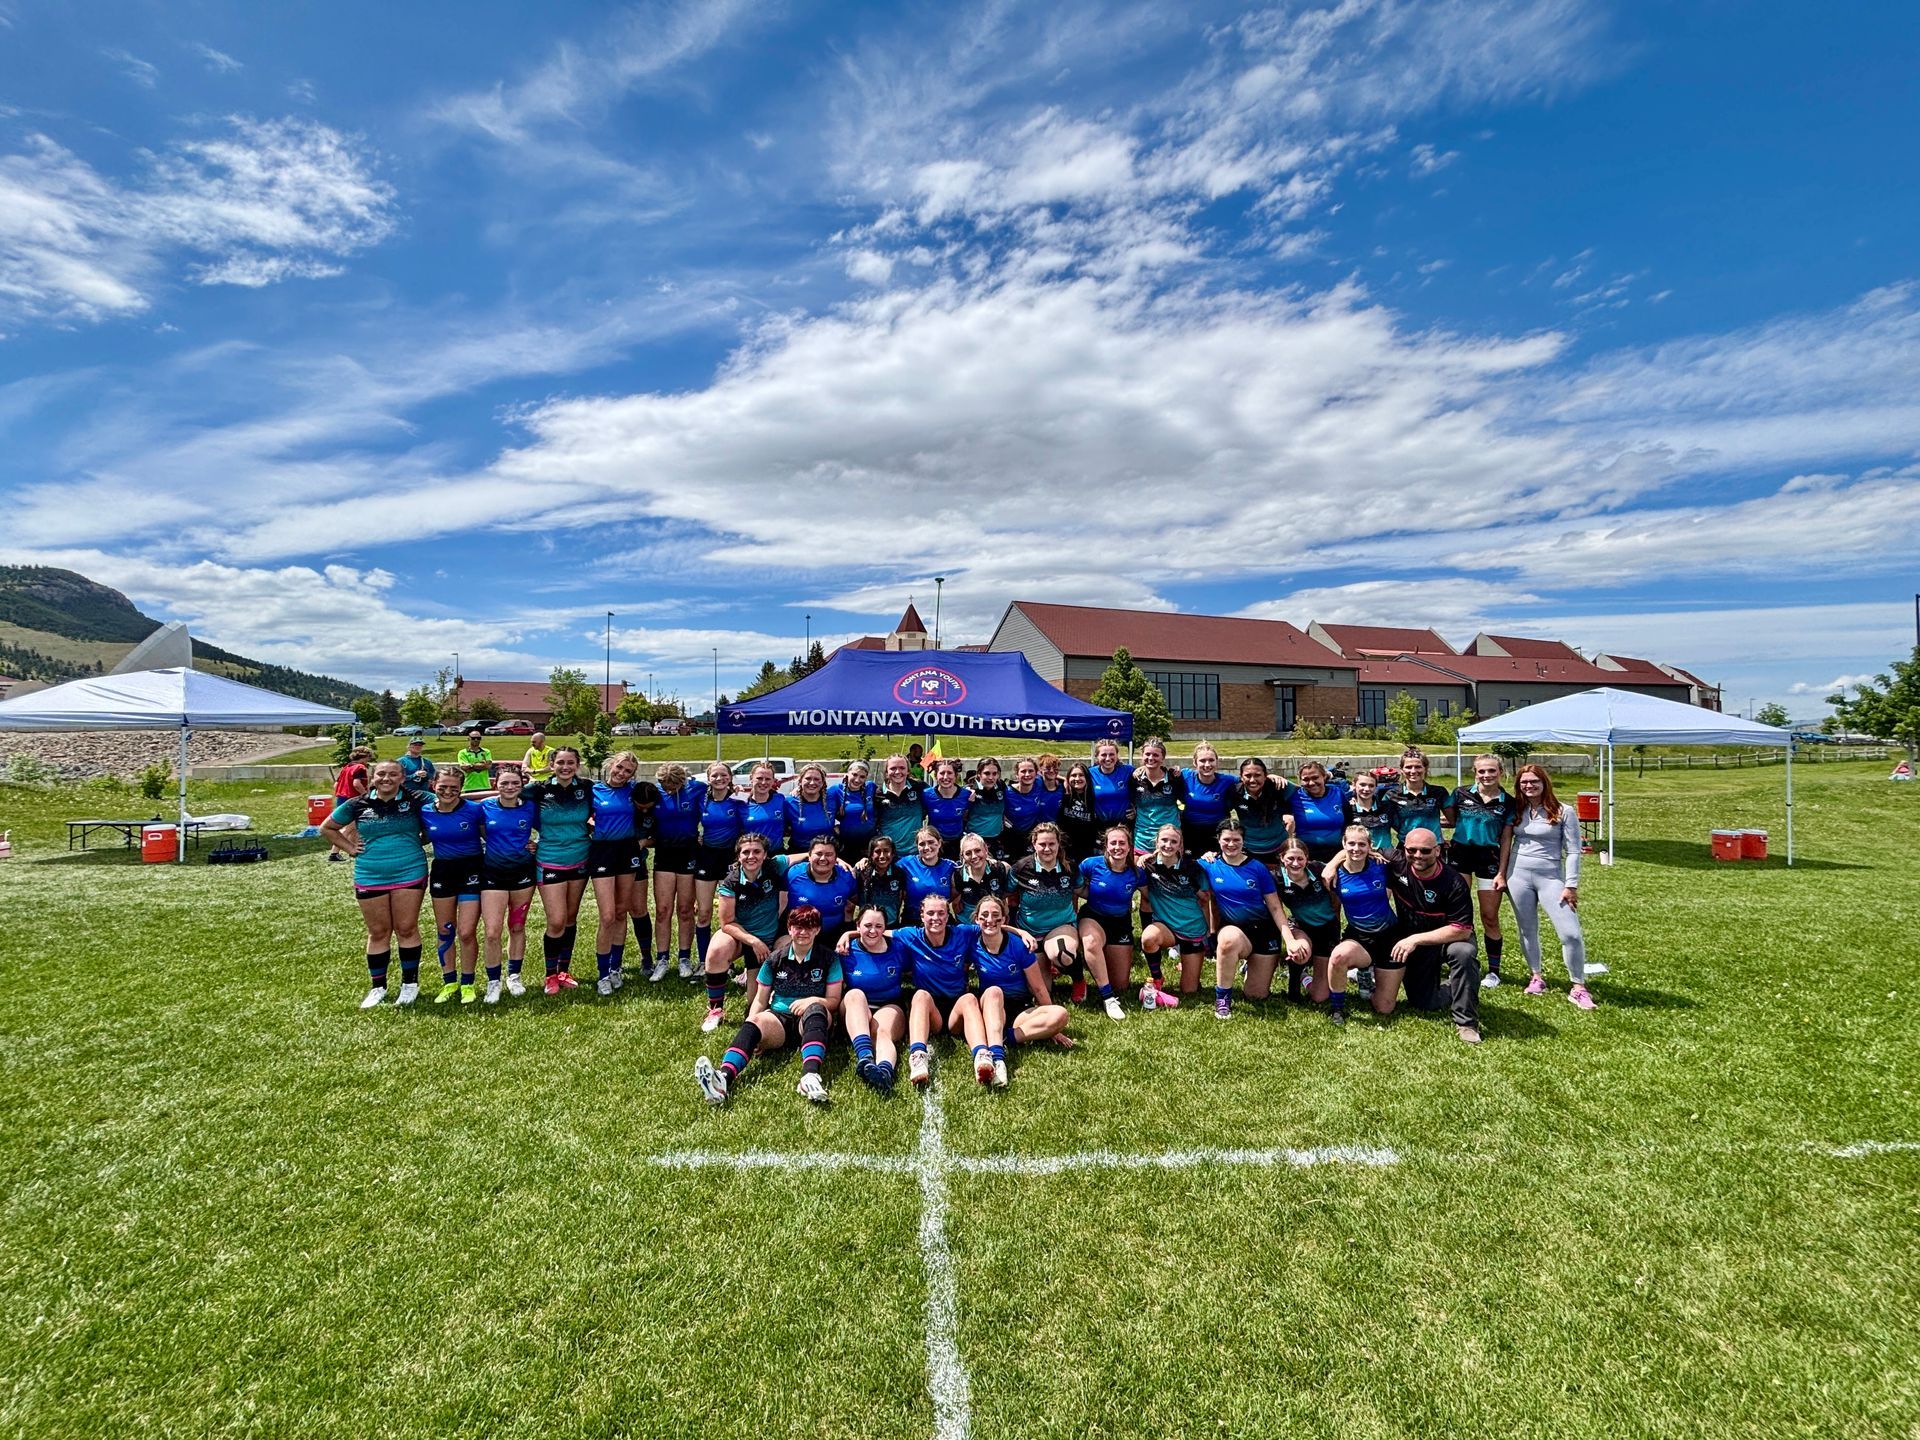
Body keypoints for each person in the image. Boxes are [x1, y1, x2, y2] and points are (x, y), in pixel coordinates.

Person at [694, 906, 842, 1106]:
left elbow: (834, 1001)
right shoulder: (775, 959)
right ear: (789, 929)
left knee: (817, 1010)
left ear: (817, 930)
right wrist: (751, 1030)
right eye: (798, 927)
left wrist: (812, 1000)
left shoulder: (829, 958)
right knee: (754, 1021)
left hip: (813, 1021)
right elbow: (760, 1000)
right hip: (779, 1019)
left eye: (809, 927)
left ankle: (810, 1076)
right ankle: (723, 1079)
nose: (803, 932)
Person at [319, 760, 428, 1008]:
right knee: (378, 932)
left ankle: (409, 984)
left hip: (409, 871)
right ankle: (378, 987)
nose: (386, 778)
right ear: (372, 777)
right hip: (370, 873)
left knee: (406, 928)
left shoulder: (417, 798)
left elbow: (447, 806)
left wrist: (425, 837)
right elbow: (327, 828)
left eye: (393, 774)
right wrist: (349, 848)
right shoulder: (357, 804)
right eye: (381, 774)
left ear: (402, 778)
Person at [1505, 763, 1595, 1010]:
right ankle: (1536, 976)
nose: (1529, 786)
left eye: (1534, 781)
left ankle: (1578, 986)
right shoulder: (1517, 810)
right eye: (1524, 782)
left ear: (1545, 783)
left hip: (1551, 878)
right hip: (1517, 876)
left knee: (1570, 933)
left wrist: (1571, 884)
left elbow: (1574, 850)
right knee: (1527, 929)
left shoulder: (1564, 811)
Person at [1382, 826, 1482, 1043]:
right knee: (1424, 1002)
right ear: (1404, 849)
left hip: (1448, 937)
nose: (1417, 855)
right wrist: (1333, 864)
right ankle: (1459, 986)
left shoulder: (1454, 882)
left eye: (1425, 851)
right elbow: (1358, 849)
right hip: (1416, 940)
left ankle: (1466, 1022)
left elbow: (1462, 930)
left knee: (1463, 953)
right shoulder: (1397, 862)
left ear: (1437, 851)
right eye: (1412, 850)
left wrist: (1414, 939)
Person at [1200, 820, 1306, 1020]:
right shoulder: (1209, 864)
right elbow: (1177, 863)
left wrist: (1290, 940)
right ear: (1218, 840)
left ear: (1243, 841)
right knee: (1228, 940)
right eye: (1226, 840)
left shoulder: (1257, 868)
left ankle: (1251, 964)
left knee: (1256, 995)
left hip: (1264, 931)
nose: (1231, 844)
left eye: (1236, 840)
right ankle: (1223, 998)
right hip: (1235, 929)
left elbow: (1275, 907)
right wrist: (1148, 858)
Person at [971, 894, 1069, 1085]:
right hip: (990, 1005)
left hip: (1019, 1010)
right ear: (976, 919)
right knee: (994, 991)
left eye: (996, 915)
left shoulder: (1019, 945)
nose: (990, 920)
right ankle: (998, 1060)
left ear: (1004, 919)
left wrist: (1053, 1029)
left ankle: (1005, 1037)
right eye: (984, 915)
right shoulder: (971, 941)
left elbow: (1038, 988)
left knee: (1060, 1014)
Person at [893, 895, 988, 1087]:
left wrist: (1022, 933)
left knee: (970, 998)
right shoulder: (911, 935)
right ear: (922, 915)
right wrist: (848, 935)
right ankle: (918, 1056)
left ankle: (982, 1055)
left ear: (947, 916)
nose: (936, 918)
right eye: (930, 913)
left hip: (956, 1012)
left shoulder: (962, 932)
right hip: (930, 1012)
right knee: (920, 995)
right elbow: (876, 931)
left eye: (941, 913)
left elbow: (991, 926)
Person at [700, 832, 787, 1032]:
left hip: (770, 938)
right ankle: (715, 1009)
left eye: (757, 851)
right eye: (745, 852)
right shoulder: (730, 882)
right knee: (717, 949)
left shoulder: (774, 866)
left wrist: (840, 861)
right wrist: (753, 941)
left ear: (765, 854)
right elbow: (727, 923)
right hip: (743, 937)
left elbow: (810, 855)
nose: (751, 856)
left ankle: (775, 995)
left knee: (754, 1006)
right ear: (738, 856)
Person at [1324, 823, 1404, 1025]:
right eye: (1351, 844)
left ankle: (1367, 972)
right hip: (1359, 937)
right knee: (1338, 956)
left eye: (1362, 844)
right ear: (1343, 844)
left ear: (1370, 846)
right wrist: (1332, 864)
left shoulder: (1381, 865)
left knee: (1384, 1008)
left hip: (1389, 936)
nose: (1356, 849)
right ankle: (1337, 1008)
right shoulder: (1334, 875)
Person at [526, 747, 592, 994]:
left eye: (570, 762)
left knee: (571, 918)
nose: (565, 767)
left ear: (577, 764)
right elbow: (506, 798)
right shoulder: (538, 789)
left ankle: (564, 971)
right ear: (552, 765)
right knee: (556, 921)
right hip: (550, 859)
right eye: (560, 762)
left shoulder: (587, 787)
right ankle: (550, 975)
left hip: (580, 858)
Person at [1449, 754, 1517, 989]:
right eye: (1482, 771)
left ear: (1500, 772)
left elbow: (1506, 839)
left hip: (1489, 858)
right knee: (1458, 914)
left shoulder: (1508, 802)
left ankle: (1494, 971)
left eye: (1491, 771)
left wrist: (1502, 872)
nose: (1486, 775)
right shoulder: (1460, 794)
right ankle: (1462, 962)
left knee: (1489, 916)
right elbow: (1451, 819)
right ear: (1474, 773)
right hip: (1460, 856)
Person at [419, 768, 483, 1002]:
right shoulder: (425, 811)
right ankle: (449, 983)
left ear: (461, 788)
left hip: (472, 871)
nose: (448, 791)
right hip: (443, 871)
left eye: (454, 788)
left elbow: (492, 836)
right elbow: (421, 837)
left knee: (466, 932)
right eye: (443, 787)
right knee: (445, 930)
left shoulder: (474, 810)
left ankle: (468, 983)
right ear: (433, 785)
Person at [476, 767, 538, 1003]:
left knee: (517, 926)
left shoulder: (530, 808)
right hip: (493, 874)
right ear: (496, 785)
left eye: (515, 783)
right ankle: (493, 982)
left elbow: (551, 828)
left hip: (523, 873)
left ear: (522, 785)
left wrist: (536, 844)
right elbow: (482, 830)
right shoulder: (485, 807)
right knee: (492, 931)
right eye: (504, 783)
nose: (510, 787)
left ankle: (514, 976)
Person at [588, 750, 645, 995]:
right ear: (611, 765)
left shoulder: (635, 792)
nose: (622, 773)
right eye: (619, 767)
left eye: (628, 771)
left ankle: (615, 967)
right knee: (607, 915)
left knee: (621, 912)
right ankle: (602, 974)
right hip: (602, 851)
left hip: (627, 851)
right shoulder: (593, 790)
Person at [1009, 822, 1086, 1000]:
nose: (1047, 849)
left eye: (1051, 844)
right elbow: (1006, 894)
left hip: (1060, 926)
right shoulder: (1021, 868)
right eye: (1042, 844)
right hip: (1030, 932)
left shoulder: (1070, 867)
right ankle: (1048, 965)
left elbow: (1082, 891)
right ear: (1033, 844)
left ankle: (1078, 980)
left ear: (1059, 844)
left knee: (1062, 954)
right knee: (1040, 993)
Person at [840, 906, 912, 1093]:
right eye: (868, 925)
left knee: (881, 1032)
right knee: (855, 994)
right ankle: (865, 1057)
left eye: (879, 926)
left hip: (888, 1004)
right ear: (858, 926)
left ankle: (884, 1072)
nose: (873, 931)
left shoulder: (898, 948)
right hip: (855, 1009)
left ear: (885, 928)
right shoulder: (846, 950)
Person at [1076, 825, 1142, 1021]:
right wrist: (1071, 918)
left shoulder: (1137, 872)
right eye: (1113, 843)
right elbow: (1073, 888)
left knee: (1121, 985)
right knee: (1091, 942)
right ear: (1105, 846)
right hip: (1093, 916)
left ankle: (1096, 962)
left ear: (1129, 847)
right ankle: (1108, 998)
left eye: (1122, 843)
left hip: (1120, 922)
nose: (1117, 847)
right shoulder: (1090, 864)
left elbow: (1148, 900)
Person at [1138, 823, 1210, 1003]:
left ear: (1180, 845)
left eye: (1173, 841)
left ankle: (1192, 973)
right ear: (1156, 842)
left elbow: (1205, 899)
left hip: (1192, 929)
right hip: (1166, 927)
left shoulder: (1193, 868)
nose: (1168, 845)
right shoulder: (1148, 865)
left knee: (1189, 991)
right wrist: (1140, 859)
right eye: (1164, 840)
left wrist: (1209, 933)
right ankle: (1157, 977)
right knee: (1148, 938)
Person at [1280, 837, 1349, 1021]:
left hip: (1327, 929)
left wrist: (1332, 864)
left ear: (1307, 858)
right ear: (1282, 858)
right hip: (1301, 927)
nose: (1295, 863)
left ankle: (1304, 977)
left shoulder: (1318, 869)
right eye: (1290, 858)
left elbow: (1346, 853)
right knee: (1300, 950)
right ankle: (1293, 987)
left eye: (1300, 858)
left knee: (1320, 996)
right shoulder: (1277, 878)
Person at [694, 759, 747, 972]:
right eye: (715, 775)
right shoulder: (701, 800)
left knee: (731, 915)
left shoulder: (738, 800)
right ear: (708, 779)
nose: (719, 779)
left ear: (730, 778)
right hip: (706, 857)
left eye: (724, 775)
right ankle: (703, 961)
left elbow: (747, 826)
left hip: (730, 859)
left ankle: (729, 961)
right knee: (704, 912)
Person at [781, 835, 858, 949]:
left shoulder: (847, 876)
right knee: (782, 946)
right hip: (799, 933)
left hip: (834, 934)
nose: (823, 859)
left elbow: (854, 902)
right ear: (809, 856)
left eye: (829, 854)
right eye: (818, 854)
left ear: (836, 858)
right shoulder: (793, 874)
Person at [1230, 756, 1292, 870]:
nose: (1252, 780)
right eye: (1248, 775)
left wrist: (1328, 775)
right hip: (1248, 849)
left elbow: (1305, 791)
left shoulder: (1279, 787)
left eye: (1257, 775)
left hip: (1278, 848)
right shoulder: (1234, 792)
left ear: (1265, 775)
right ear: (1241, 777)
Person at [1128, 738, 1184, 859]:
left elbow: (1183, 803)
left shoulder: (1174, 778)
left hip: (1169, 840)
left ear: (1163, 758)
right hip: (1142, 840)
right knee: (1140, 870)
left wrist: (1180, 810)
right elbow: (1131, 802)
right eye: (1147, 754)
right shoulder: (1135, 779)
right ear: (1142, 756)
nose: (1151, 758)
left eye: (1155, 755)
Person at [1287, 760, 1350, 865]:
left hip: (1337, 853)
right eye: (1306, 779)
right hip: (1306, 855)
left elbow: (1349, 820)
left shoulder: (1337, 792)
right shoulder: (1294, 797)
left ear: (1324, 776)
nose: (1311, 783)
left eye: (1315, 778)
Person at [1179, 742, 1236, 859]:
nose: (1207, 764)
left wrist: (1271, 777)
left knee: (1214, 864)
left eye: (1211, 760)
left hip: (1216, 833)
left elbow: (1250, 779)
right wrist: (1143, 769)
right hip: (1190, 831)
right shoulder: (1186, 776)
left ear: (1217, 762)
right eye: (1202, 760)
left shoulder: (1227, 780)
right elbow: (1161, 773)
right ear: (1195, 762)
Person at [1385, 747, 1448, 849]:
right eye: (1408, 767)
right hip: (1407, 847)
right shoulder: (1391, 795)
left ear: (1425, 768)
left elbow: (1453, 820)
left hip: (1433, 847)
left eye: (1418, 767)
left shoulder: (1438, 792)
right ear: (1401, 770)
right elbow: (1385, 821)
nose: (1413, 771)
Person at [953, 831, 1015, 923]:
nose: (974, 856)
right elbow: (955, 903)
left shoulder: (1002, 869)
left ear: (986, 849)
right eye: (968, 853)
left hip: (994, 923)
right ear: (962, 856)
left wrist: (1001, 903)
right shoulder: (958, 875)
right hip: (968, 923)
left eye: (977, 850)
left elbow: (1011, 893)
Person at [899, 824, 959, 920]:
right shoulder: (906, 863)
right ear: (917, 846)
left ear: (939, 843)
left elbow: (970, 874)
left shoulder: (950, 866)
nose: (927, 847)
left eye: (931, 842)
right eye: (922, 844)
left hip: (940, 921)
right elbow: (885, 867)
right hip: (912, 920)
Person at [874, 753, 928, 857]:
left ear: (908, 771)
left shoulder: (919, 788)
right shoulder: (878, 794)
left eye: (902, 768)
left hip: (915, 854)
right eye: (893, 768)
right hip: (888, 855)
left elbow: (940, 797)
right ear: (886, 772)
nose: (898, 772)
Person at [327, 745, 375, 861]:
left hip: (341, 798)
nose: (368, 760)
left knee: (354, 827)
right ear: (364, 757)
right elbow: (356, 784)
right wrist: (366, 796)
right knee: (348, 828)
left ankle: (355, 848)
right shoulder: (360, 768)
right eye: (368, 758)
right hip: (354, 800)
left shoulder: (346, 767)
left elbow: (336, 785)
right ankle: (334, 853)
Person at [854, 834, 910, 926]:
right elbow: (852, 898)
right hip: (868, 926)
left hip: (891, 924)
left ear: (893, 854)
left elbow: (901, 898)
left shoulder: (899, 874)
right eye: (877, 851)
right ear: (871, 854)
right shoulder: (862, 872)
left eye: (886, 851)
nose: (882, 856)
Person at [922, 759, 972, 859]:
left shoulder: (967, 795)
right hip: (935, 845)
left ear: (956, 775)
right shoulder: (926, 795)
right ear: (936, 775)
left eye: (949, 773)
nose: (945, 777)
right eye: (942, 773)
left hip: (958, 843)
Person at [1001, 756, 1048, 861]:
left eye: (1031, 771)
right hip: (1011, 836)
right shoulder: (1007, 792)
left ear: (1036, 773)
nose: (1027, 775)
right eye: (1023, 771)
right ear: (1017, 774)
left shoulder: (1039, 783)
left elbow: (1052, 775)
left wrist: (1066, 781)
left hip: (1031, 834)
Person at [784, 764, 836, 854]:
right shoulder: (789, 803)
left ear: (823, 782)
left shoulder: (832, 799)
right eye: (808, 778)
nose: (812, 783)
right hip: (798, 853)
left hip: (826, 854)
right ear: (800, 781)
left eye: (816, 779)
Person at [828, 760, 877, 855]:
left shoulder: (870, 787)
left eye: (862, 777)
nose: (857, 780)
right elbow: (825, 808)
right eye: (854, 774)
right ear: (847, 774)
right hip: (846, 844)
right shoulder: (836, 790)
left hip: (869, 843)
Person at [1344, 769, 1397, 856]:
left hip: (1386, 856)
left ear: (1376, 787)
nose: (1367, 789)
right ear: (1354, 785)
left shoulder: (1386, 807)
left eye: (1371, 786)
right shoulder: (1348, 809)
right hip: (1360, 856)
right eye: (1362, 785)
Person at [1057, 761, 1101, 865]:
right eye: (1073, 775)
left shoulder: (1095, 796)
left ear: (1087, 778)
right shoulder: (1063, 792)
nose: (1077, 778)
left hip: (1088, 850)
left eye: (1081, 775)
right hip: (1065, 850)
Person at [965, 756, 1010, 858]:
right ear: (979, 773)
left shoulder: (1001, 786)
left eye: (994, 773)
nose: (991, 777)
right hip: (975, 840)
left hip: (997, 838)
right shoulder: (970, 791)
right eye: (987, 773)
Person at [740, 763, 788, 856]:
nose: (763, 782)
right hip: (752, 856)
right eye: (759, 778)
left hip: (776, 854)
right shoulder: (741, 804)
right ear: (751, 778)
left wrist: (798, 789)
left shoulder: (780, 799)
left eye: (768, 779)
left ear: (773, 780)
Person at [1087, 738, 1133, 834]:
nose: (1108, 758)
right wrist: (1064, 781)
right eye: (1103, 755)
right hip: (1099, 828)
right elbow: (1072, 779)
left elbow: (1145, 782)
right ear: (1097, 756)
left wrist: (1136, 810)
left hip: (1123, 827)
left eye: (1112, 754)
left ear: (1117, 755)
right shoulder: (1090, 773)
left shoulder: (1128, 771)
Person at [397, 737, 437, 801]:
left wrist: (426, 774)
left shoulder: (427, 762)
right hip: (407, 794)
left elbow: (433, 776)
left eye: (420, 745)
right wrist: (414, 775)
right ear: (409, 746)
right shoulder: (401, 761)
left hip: (425, 794)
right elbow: (397, 779)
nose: (418, 746)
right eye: (415, 745)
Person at [455, 730, 493, 794]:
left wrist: (471, 765)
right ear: (468, 738)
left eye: (478, 738)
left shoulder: (486, 751)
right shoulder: (462, 753)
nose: (476, 740)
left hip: (485, 786)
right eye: (473, 738)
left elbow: (488, 766)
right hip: (469, 786)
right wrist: (482, 765)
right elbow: (464, 768)